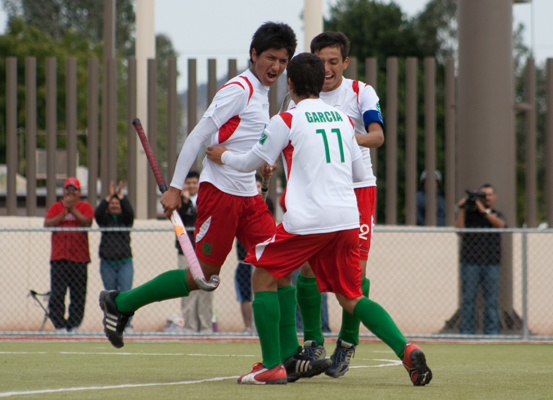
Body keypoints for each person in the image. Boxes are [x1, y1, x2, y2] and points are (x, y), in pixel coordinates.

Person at [99, 24, 321, 384]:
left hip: (248, 196)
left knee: (279, 268)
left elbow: (242, 141)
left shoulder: (263, 94)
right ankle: (120, 303)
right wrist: (174, 187)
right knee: (202, 277)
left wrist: (259, 160)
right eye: (270, 58)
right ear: (254, 54)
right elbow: (201, 134)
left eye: (283, 60)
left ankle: (284, 357)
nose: (277, 66)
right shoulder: (239, 88)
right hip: (220, 196)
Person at [207, 52, 432, 386]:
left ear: (291, 83)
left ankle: (271, 365)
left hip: (308, 220)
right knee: (352, 296)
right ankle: (406, 348)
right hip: (345, 218)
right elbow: (358, 171)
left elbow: (250, 163)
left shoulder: (285, 119)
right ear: (319, 83)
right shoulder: (342, 119)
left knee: (262, 278)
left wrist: (221, 154)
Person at [283, 31, 385, 378]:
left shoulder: (360, 92)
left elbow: (377, 136)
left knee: (356, 274)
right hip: (316, 192)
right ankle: (313, 341)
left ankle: (347, 341)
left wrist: (338, 136)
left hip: (357, 188)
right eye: (321, 61)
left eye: (333, 61)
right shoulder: (297, 101)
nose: (327, 68)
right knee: (308, 269)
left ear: (345, 62)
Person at [455, 183, 506, 335]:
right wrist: (462, 209)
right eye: (484, 195)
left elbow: (501, 225)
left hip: (491, 263)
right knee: (468, 299)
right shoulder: (469, 215)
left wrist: (484, 211)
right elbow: (459, 230)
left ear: (494, 197)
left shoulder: (496, 214)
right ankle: (466, 331)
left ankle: (492, 332)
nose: (487, 198)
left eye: (490, 195)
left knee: (491, 300)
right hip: (470, 263)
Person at [44, 177, 94, 334]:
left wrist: (72, 210)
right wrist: (63, 213)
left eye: (74, 190)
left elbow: (87, 222)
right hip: (59, 257)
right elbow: (47, 223)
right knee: (57, 293)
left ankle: (73, 325)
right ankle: (59, 325)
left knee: (78, 294)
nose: (70, 193)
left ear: (79, 193)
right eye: (68, 190)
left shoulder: (85, 206)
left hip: (79, 258)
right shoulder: (56, 207)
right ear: (63, 191)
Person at [234, 177, 274, 334]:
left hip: (262, 259)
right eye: (254, 186)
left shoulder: (266, 203)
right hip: (244, 260)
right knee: (245, 296)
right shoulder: (239, 201)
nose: (256, 188)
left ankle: (263, 327)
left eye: (259, 186)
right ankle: (248, 327)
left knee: (264, 292)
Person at [95, 181, 135, 332]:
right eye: (111, 204)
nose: (114, 205)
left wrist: (120, 196)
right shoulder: (104, 220)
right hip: (107, 264)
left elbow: (129, 211)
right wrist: (108, 198)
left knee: (126, 294)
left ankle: (127, 324)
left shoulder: (126, 220)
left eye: (117, 203)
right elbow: (97, 213)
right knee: (111, 295)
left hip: (125, 263)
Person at [177, 171, 214, 334]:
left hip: (205, 251)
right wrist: (184, 201)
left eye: (194, 182)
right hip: (185, 251)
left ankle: (206, 327)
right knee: (187, 290)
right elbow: (179, 219)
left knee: (205, 290)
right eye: (189, 183)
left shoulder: (206, 199)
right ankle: (189, 327)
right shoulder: (179, 202)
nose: (192, 186)